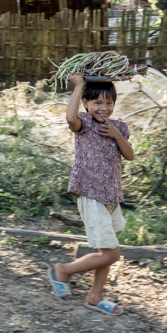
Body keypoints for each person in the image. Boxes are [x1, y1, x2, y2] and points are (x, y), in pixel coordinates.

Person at [49, 72, 134, 315]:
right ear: (86, 103)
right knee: (111, 254)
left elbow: (129, 155)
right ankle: (63, 271)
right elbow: (70, 118)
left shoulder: (119, 127)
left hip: (112, 196)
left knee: (107, 250)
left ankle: (95, 296)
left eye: (109, 103)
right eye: (97, 102)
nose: (104, 108)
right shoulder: (84, 124)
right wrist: (79, 86)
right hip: (91, 194)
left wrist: (117, 136)